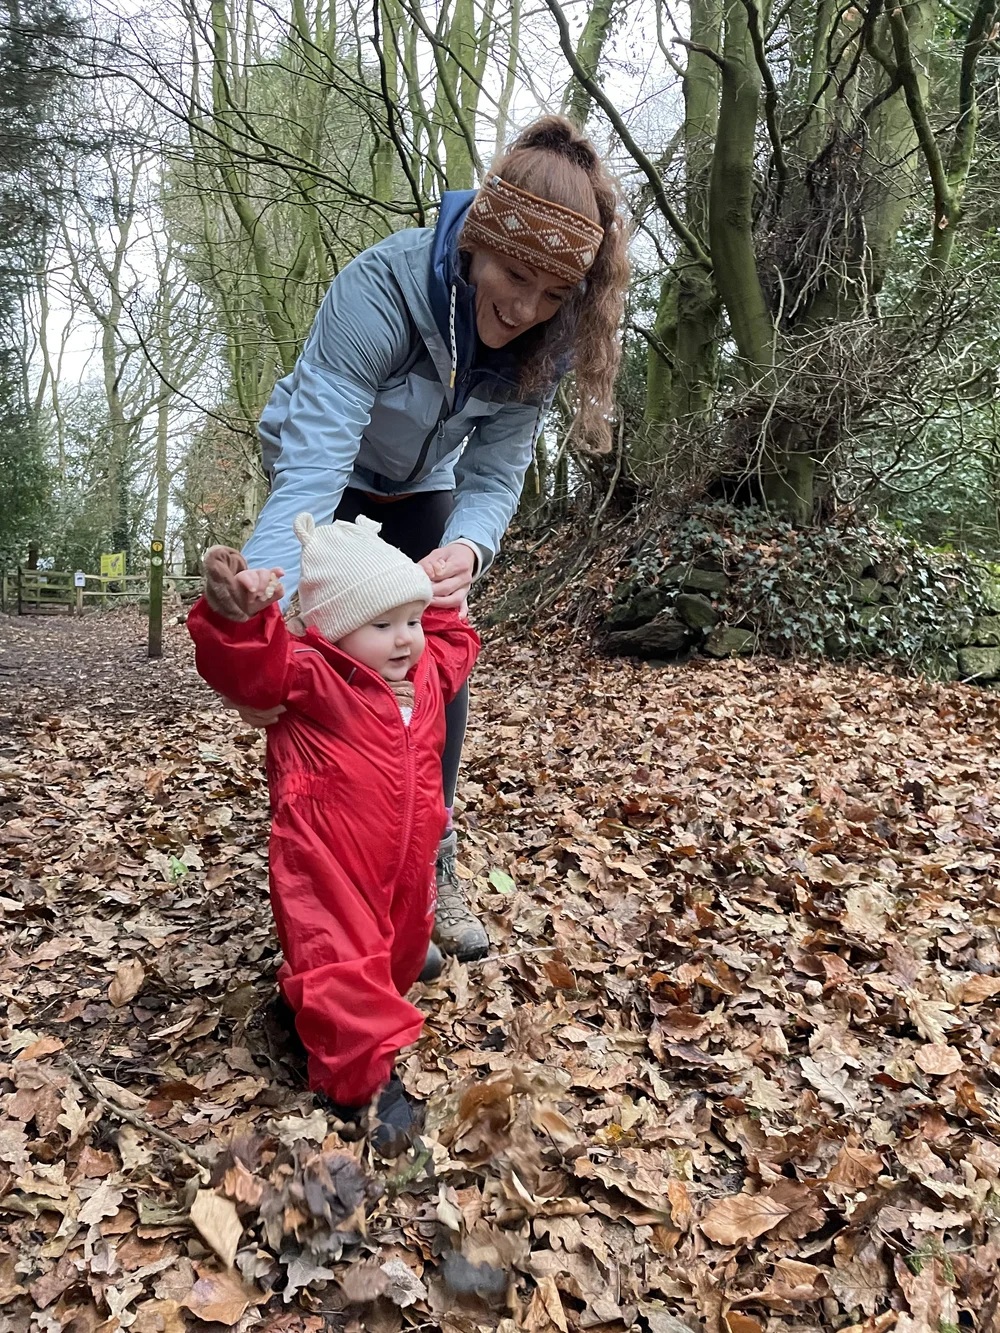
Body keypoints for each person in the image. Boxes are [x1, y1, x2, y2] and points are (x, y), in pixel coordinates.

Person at [236, 114, 630, 962]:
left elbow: (495, 473)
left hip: (424, 490)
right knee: (332, 668)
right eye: (515, 275)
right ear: (479, 239)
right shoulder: (379, 290)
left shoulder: (543, 344)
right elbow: (311, 465)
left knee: (428, 660)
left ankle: (430, 859)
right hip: (332, 476)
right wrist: (263, 601)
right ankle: (326, 862)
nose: (525, 309)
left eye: (554, 293)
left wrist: (472, 546)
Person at [188, 514, 480, 1154]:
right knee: (343, 961)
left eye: (410, 620)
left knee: (398, 957)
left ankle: (310, 1013)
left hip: (407, 859)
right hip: (326, 855)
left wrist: (445, 601)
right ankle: (362, 1088)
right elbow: (251, 672)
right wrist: (236, 619)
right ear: (337, 630)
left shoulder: (424, 673)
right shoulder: (315, 678)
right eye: (382, 625)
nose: (404, 640)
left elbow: (454, 643)